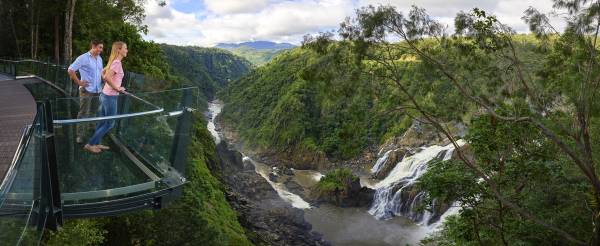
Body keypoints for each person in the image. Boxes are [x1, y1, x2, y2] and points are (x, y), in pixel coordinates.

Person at [84, 41, 128, 153]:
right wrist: (117, 88)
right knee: (110, 123)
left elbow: (103, 73)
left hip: (105, 94)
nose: (126, 50)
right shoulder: (117, 63)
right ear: (119, 50)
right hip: (110, 97)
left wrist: (115, 85)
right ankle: (90, 144)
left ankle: (96, 143)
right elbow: (107, 78)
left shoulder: (113, 61)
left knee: (103, 121)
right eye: (125, 48)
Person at [68, 40, 104, 144]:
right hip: (86, 90)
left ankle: (92, 129)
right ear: (93, 46)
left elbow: (100, 73)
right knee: (83, 113)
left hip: (97, 90)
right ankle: (80, 135)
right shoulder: (83, 58)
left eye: (102, 48)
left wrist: (105, 81)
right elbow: (70, 70)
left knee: (93, 111)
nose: (101, 50)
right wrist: (79, 82)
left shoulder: (99, 59)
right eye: (99, 47)